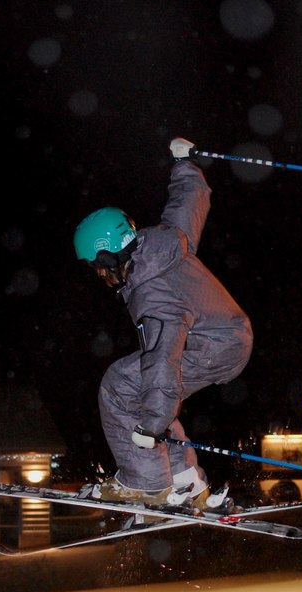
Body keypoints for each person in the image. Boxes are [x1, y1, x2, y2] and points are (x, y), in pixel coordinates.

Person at [73, 137, 253, 510]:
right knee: (145, 387)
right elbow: (187, 203)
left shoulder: (151, 292)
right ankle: (185, 479)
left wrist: (151, 426)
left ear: (107, 258)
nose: (100, 277)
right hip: (227, 336)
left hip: (213, 348)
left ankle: (146, 482)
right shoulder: (163, 243)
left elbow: (162, 360)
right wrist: (185, 165)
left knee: (121, 386)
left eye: (96, 268)